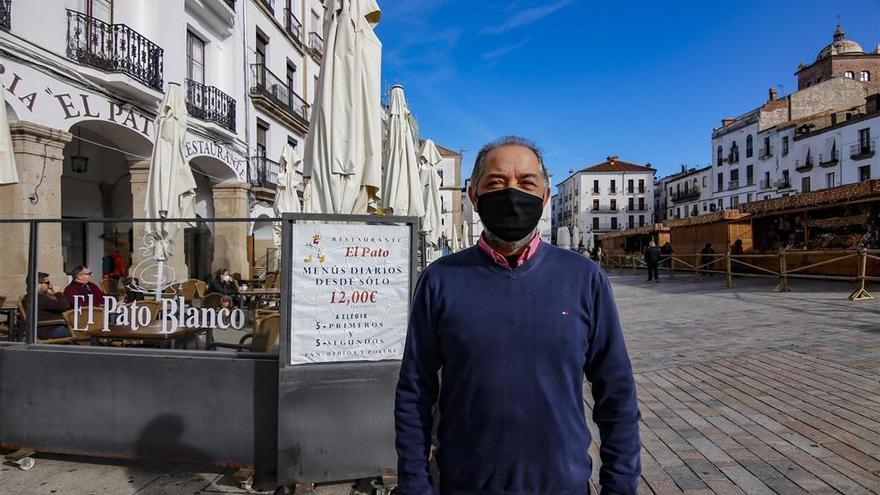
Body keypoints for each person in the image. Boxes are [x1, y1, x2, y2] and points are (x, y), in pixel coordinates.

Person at [395, 136, 640, 495]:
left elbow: (616, 393)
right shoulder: (440, 280)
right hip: (463, 485)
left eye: (526, 183)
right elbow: (414, 391)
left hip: (563, 486)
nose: (511, 193)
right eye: (496, 182)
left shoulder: (585, 278)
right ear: (474, 196)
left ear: (544, 197)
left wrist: (619, 486)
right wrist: (415, 485)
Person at [36, 272, 71, 339]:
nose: (50, 286)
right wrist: (58, 292)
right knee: (84, 332)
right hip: (50, 330)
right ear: (38, 284)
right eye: (47, 283)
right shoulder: (39, 298)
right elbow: (65, 305)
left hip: (49, 328)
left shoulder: (34, 297)